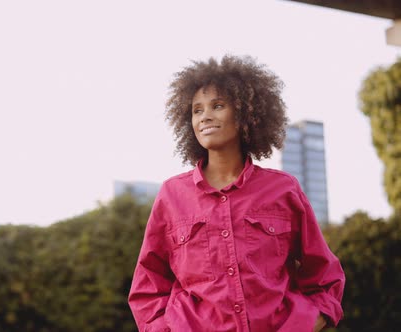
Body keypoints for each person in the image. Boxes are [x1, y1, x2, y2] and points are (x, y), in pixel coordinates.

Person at [128, 55, 344, 332]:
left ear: (245, 115)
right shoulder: (172, 194)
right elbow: (148, 283)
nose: (205, 116)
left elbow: (324, 276)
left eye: (218, 106)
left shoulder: (283, 189)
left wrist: (305, 324)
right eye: (196, 110)